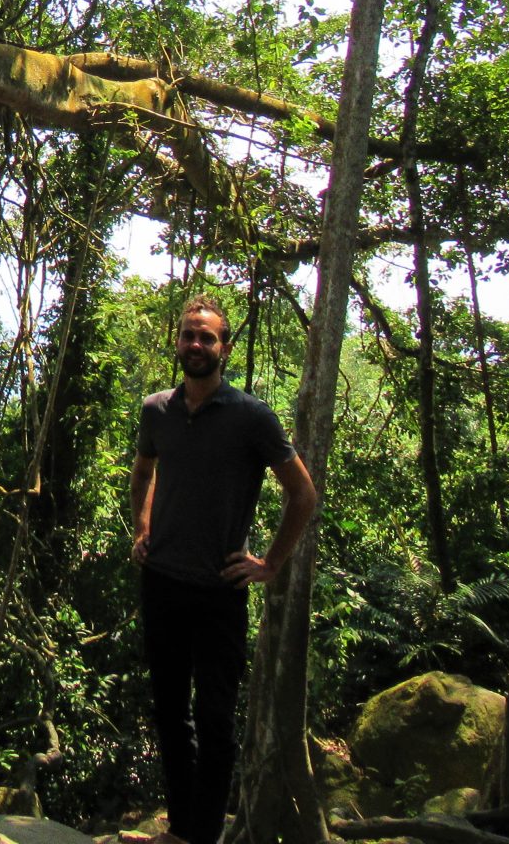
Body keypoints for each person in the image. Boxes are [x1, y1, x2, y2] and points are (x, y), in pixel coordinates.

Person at [127, 294, 318, 844]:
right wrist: (142, 528)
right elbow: (143, 471)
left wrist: (270, 563)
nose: (196, 344)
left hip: (219, 591)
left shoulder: (251, 417)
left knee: (215, 721)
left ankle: (204, 835)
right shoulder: (156, 410)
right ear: (178, 342)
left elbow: (303, 494)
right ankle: (181, 830)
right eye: (189, 334)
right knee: (170, 714)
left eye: (207, 337)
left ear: (224, 348)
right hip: (162, 582)